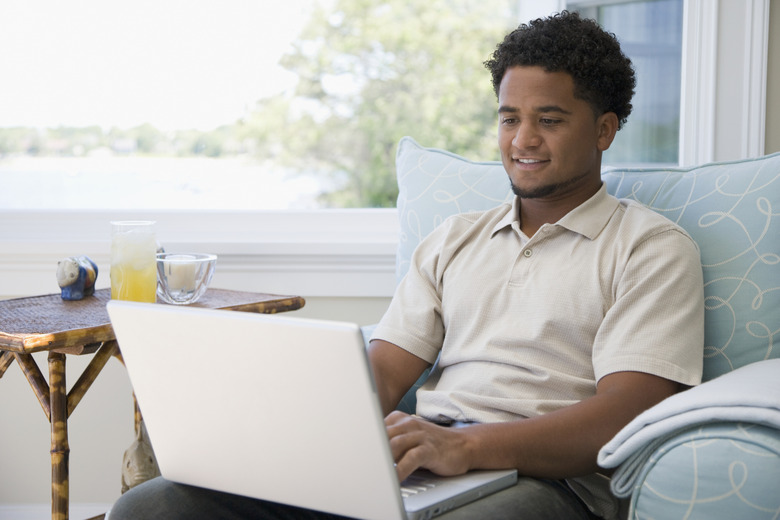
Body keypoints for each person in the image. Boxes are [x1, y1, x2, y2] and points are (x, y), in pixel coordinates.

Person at [109, 11, 704, 520]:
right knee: (154, 506)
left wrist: (467, 447)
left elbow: (629, 412)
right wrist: (280, 437)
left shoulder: (648, 247)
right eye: (508, 118)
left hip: (547, 485)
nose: (522, 139)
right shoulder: (454, 241)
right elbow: (385, 375)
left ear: (604, 130)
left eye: (548, 120)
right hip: (420, 458)